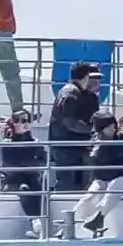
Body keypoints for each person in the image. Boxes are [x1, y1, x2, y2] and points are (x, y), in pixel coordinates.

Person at [48, 61, 102, 191]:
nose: (98, 82)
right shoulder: (70, 92)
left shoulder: (89, 96)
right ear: (86, 77)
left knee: (83, 183)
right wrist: (92, 131)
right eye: (95, 78)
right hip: (66, 146)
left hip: (80, 145)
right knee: (66, 183)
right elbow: (69, 122)